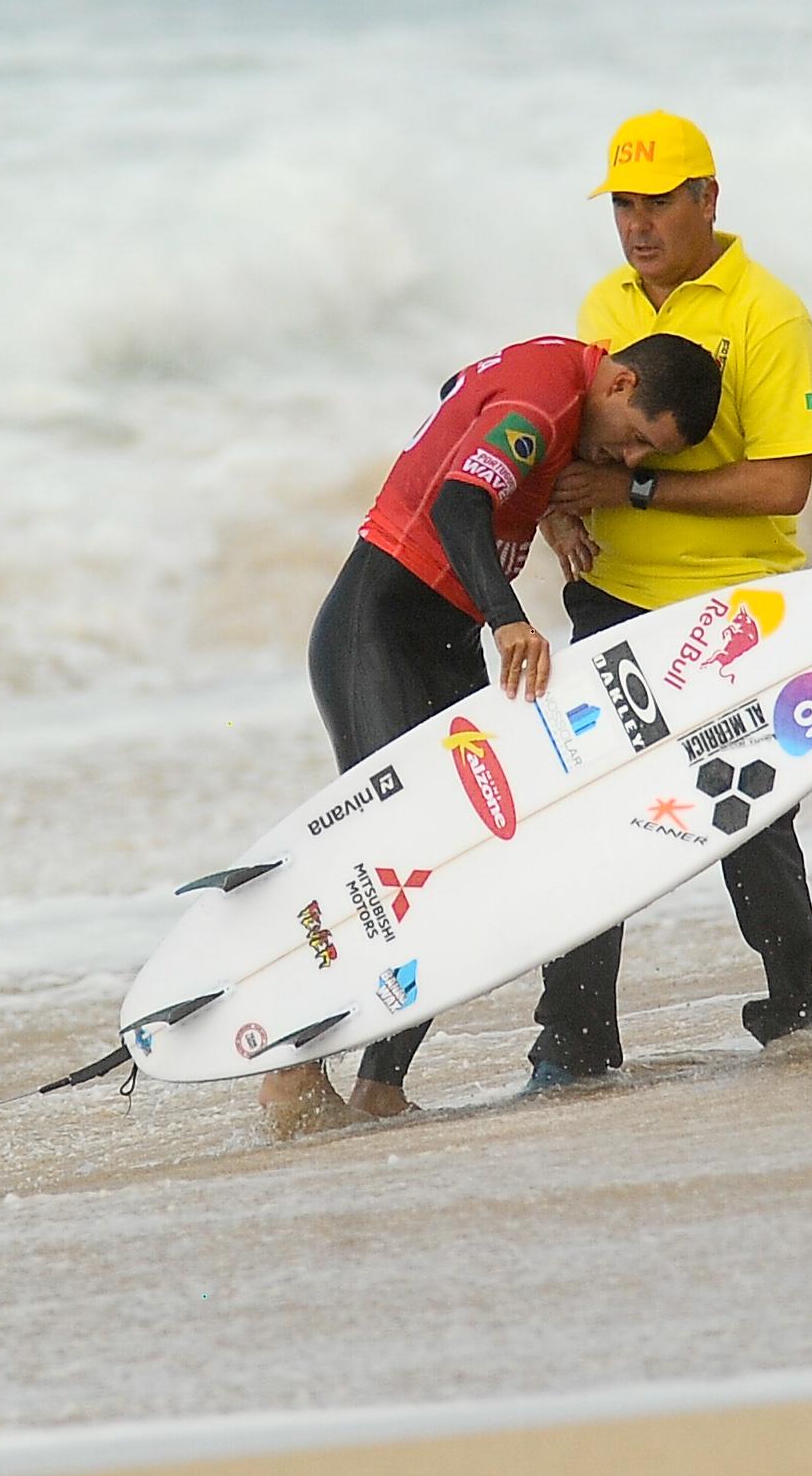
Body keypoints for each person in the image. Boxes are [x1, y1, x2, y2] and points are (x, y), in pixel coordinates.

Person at [258, 328, 722, 1134]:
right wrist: (510, 618)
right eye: (636, 440)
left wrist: (542, 511)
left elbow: (455, 395)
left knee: (471, 853)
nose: (626, 464)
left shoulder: (554, 387)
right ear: (619, 384)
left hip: (439, 639)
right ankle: (292, 1067)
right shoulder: (545, 397)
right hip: (382, 628)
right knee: (401, 855)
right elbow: (455, 498)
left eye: (647, 459)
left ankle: (378, 1090)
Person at [525, 110, 812, 1084]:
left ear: (709, 198)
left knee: (744, 807)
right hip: (611, 596)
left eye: (659, 200)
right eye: (624, 202)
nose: (639, 223)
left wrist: (636, 487)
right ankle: (574, 1041)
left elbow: (786, 482)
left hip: (733, 604)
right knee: (589, 816)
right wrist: (555, 511)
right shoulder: (601, 303)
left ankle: (796, 1003)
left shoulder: (768, 314)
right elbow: (566, 434)